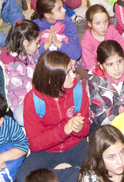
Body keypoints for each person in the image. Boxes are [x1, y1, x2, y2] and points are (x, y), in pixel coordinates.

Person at [20, 51, 90, 180]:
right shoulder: (32, 99)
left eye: (72, 70)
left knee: (101, 168)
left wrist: (79, 128)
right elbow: (34, 143)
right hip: (46, 152)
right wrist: (64, 130)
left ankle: (65, 175)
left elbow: (86, 129)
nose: (74, 76)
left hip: (75, 145)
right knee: (23, 177)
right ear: (51, 80)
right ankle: (72, 175)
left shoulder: (77, 90)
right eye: (68, 73)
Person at [87, 40, 124, 129]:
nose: (116, 68)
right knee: (99, 137)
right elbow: (99, 118)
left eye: (119, 61)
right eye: (110, 64)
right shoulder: (94, 83)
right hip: (110, 127)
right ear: (101, 66)